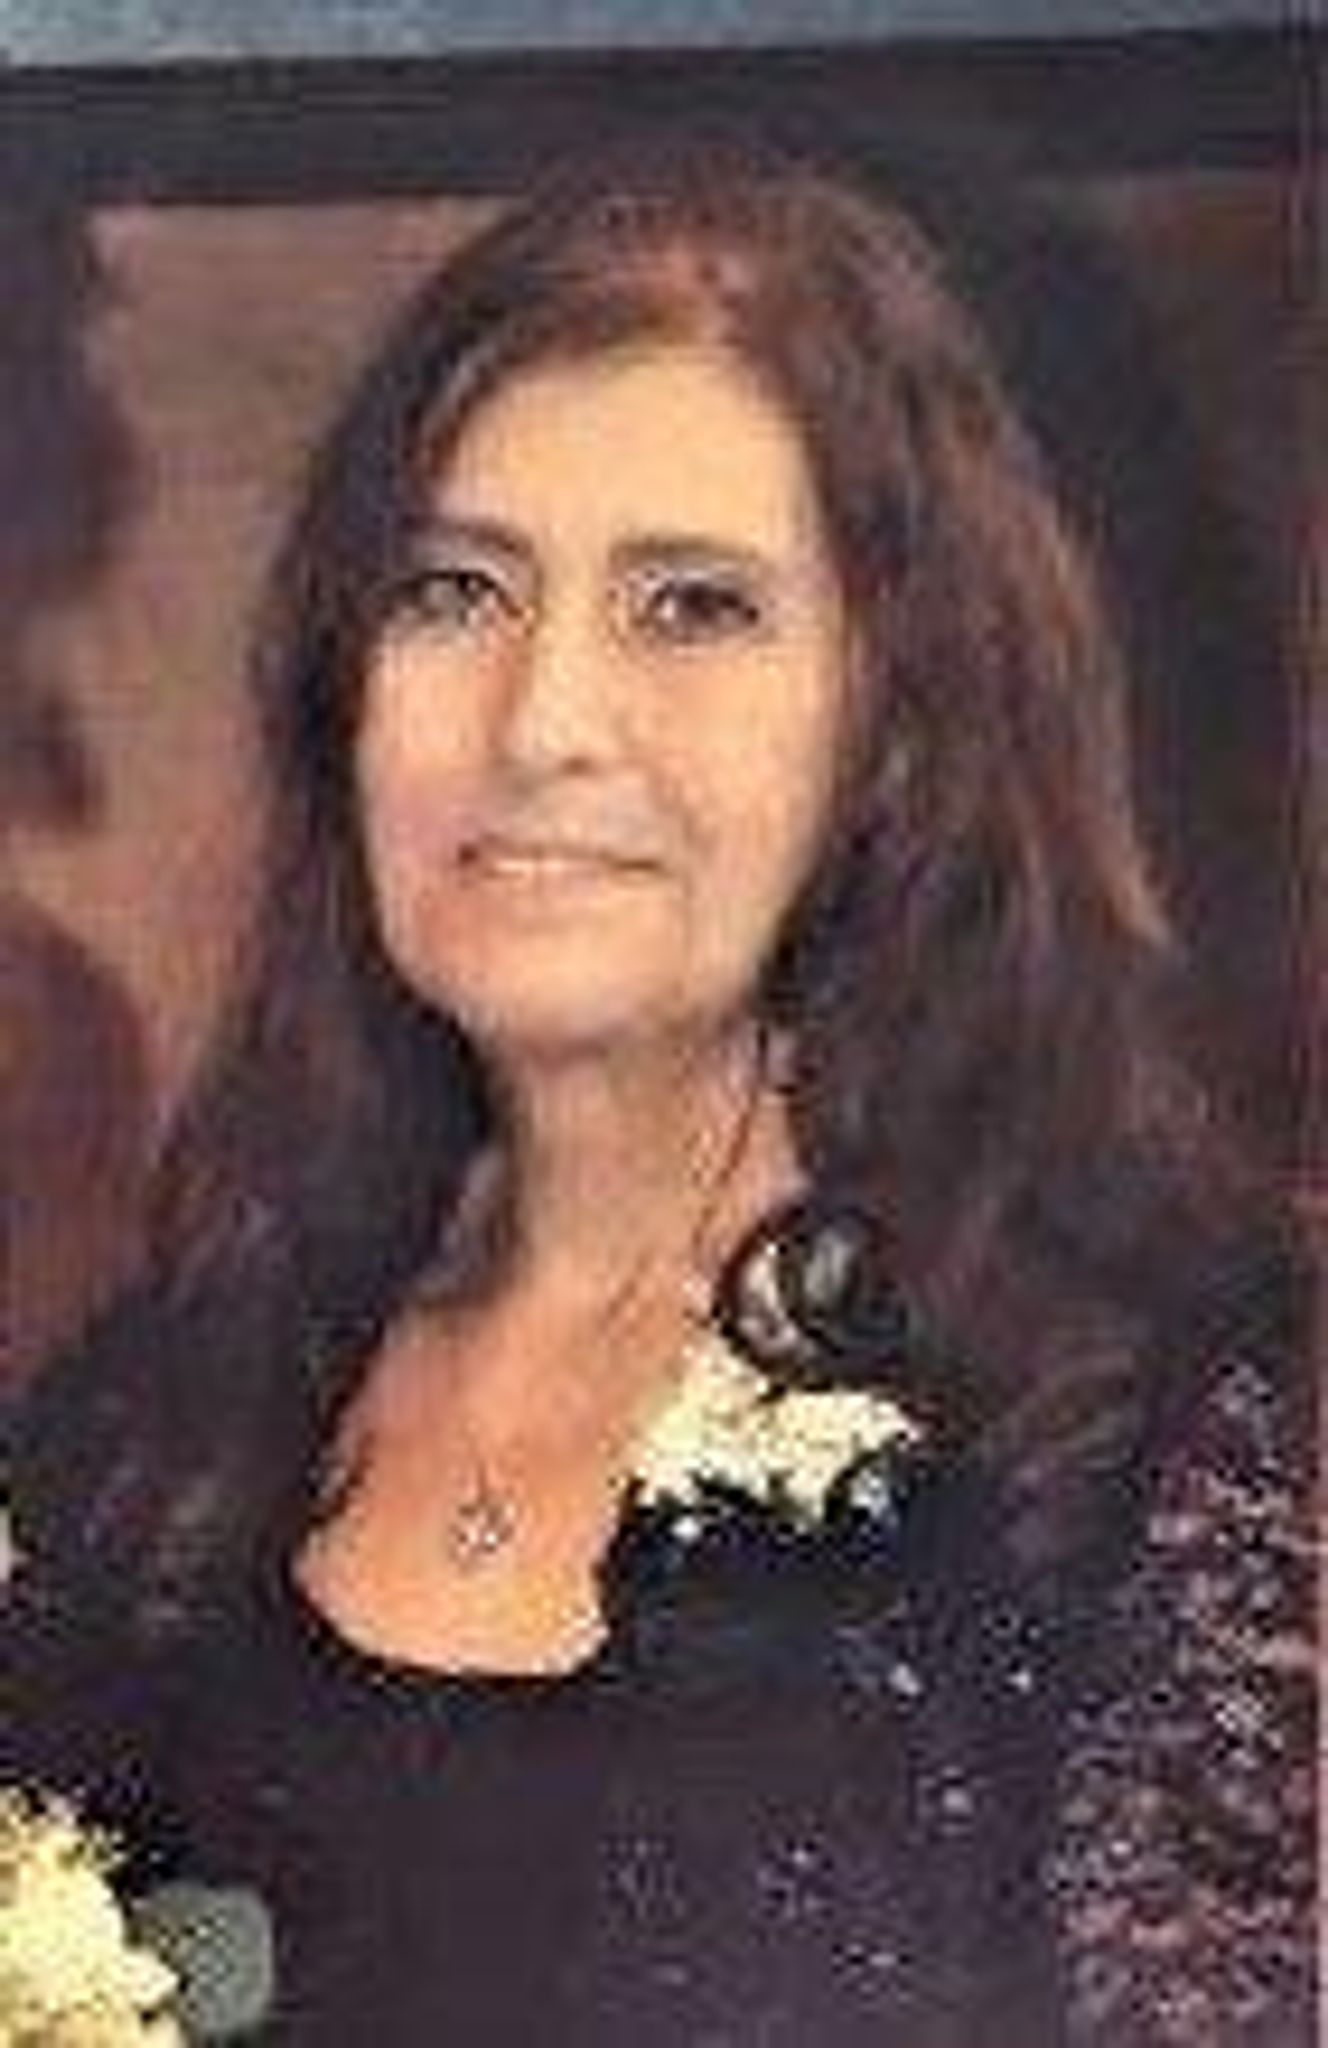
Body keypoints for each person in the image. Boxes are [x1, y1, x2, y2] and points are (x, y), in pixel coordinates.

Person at [3, 142, 1314, 2044]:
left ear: (900, 724)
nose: (541, 724)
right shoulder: (151, 1424)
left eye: (691, 607)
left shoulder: (1175, 1427)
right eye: (454, 590)